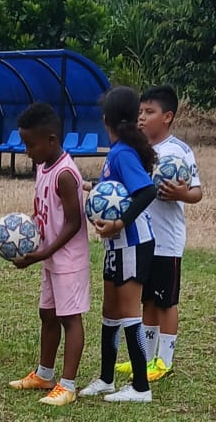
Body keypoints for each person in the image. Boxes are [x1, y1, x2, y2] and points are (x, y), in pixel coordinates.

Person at [79, 86, 160, 403]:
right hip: (116, 246)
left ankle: (140, 387)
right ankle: (106, 378)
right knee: (110, 312)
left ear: (106, 119)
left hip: (132, 242)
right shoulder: (118, 152)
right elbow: (117, 190)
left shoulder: (122, 153)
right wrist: (91, 187)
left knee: (128, 312)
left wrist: (119, 223)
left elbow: (146, 191)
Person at [7, 102, 89, 407]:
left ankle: (67, 386)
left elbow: (73, 222)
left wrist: (41, 254)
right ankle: (44, 374)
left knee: (70, 318)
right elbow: (44, 210)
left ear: (51, 140)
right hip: (49, 256)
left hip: (67, 260)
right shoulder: (43, 167)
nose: (27, 151)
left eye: (31, 144)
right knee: (48, 314)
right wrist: (27, 234)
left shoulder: (65, 174)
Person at [128, 84, 201, 381]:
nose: (142, 118)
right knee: (147, 300)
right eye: (140, 112)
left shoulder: (179, 152)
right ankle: (146, 358)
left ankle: (165, 361)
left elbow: (197, 193)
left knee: (166, 301)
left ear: (167, 116)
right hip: (143, 239)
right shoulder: (138, 151)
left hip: (167, 242)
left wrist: (182, 194)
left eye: (149, 112)